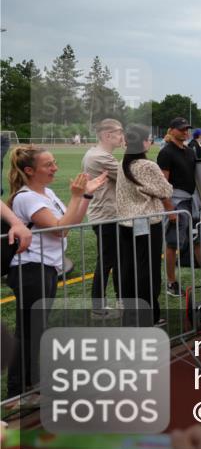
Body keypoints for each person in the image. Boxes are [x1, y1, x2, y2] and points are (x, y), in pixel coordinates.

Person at [6, 145, 107, 395]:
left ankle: (31, 383)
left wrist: (85, 196)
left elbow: (70, 223)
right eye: (48, 165)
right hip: (31, 269)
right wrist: (75, 197)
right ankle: (17, 391)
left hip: (47, 267)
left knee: (36, 328)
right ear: (30, 170)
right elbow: (60, 229)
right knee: (28, 330)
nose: (55, 168)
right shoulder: (27, 197)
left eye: (54, 162)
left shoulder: (47, 193)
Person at [158, 117, 201, 297]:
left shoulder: (189, 151)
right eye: (181, 129)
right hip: (177, 204)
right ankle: (171, 283)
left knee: (200, 240)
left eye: (187, 129)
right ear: (171, 130)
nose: (185, 131)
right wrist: (169, 208)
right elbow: (163, 184)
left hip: (192, 203)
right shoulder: (166, 152)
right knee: (173, 243)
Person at [118, 125, 174, 326]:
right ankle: (149, 314)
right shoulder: (146, 165)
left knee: (129, 269)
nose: (151, 141)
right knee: (147, 270)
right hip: (146, 222)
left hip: (125, 223)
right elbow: (166, 189)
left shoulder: (123, 164)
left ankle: (131, 313)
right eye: (149, 138)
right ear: (142, 142)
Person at [82, 118, 124, 317]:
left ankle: (118, 299)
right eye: (119, 132)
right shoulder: (101, 157)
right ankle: (99, 306)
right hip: (106, 216)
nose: (122, 136)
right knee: (107, 261)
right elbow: (129, 179)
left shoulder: (96, 153)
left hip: (106, 215)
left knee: (114, 260)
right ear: (107, 135)